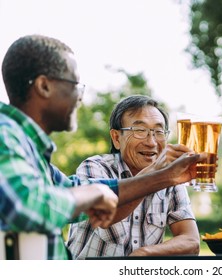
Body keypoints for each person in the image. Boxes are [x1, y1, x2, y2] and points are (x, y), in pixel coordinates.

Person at [0, 34, 201, 260]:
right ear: (44, 86)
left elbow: (70, 191)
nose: (80, 97)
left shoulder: (31, 153)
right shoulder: (4, 133)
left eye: (157, 131)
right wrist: (94, 192)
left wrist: (165, 176)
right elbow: (25, 206)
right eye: (74, 84)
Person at [67, 95, 199, 258]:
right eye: (140, 130)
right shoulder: (95, 167)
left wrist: (144, 254)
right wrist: (157, 173)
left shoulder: (170, 177)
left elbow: (191, 241)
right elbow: (107, 216)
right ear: (116, 138)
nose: (151, 142)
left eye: (158, 132)